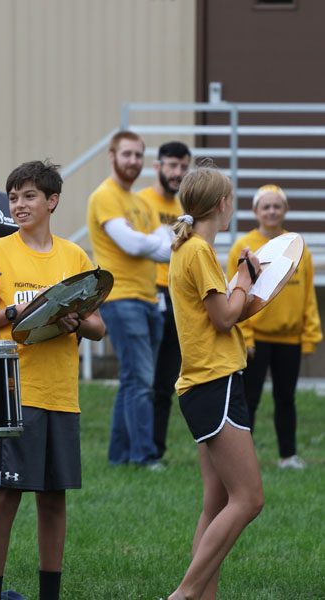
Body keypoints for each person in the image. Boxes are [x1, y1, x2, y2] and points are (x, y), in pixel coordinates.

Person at [0, 160, 105, 600]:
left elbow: (99, 327)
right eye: (14, 197)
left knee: (54, 496)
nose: (19, 205)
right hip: (15, 390)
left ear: (52, 201)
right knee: (7, 494)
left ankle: (49, 594)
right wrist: (12, 313)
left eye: (29, 196)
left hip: (62, 394)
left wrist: (75, 320)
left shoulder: (74, 256)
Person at [166, 165, 265, 600]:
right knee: (249, 499)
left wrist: (253, 290)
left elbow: (224, 313)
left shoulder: (187, 249)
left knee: (218, 504)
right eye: (231, 198)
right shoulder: (200, 252)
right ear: (221, 204)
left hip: (203, 384)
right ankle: (184, 594)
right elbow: (224, 318)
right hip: (215, 382)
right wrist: (243, 279)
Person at [86, 130, 171, 468]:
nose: (133, 161)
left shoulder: (140, 203)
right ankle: (144, 455)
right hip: (121, 299)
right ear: (112, 156)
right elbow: (134, 245)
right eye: (127, 154)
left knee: (132, 380)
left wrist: (150, 240)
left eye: (138, 155)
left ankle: (120, 456)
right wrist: (152, 239)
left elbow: (166, 250)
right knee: (141, 381)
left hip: (149, 299)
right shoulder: (105, 196)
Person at [227, 185, 321, 469]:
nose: (271, 211)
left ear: (285, 210)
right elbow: (236, 293)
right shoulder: (243, 246)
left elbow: (307, 294)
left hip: (289, 338)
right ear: (255, 211)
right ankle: (246, 460)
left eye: (276, 206)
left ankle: (287, 455)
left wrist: (309, 334)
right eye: (265, 206)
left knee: (286, 398)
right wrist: (247, 336)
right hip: (256, 340)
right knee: (250, 399)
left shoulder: (298, 248)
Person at [137, 141, 192, 460]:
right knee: (144, 379)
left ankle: (156, 449)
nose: (178, 172)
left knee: (167, 380)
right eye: (172, 165)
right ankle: (138, 449)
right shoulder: (142, 201)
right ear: (157, 167)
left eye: (184, 166)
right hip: (149, 293)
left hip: (177, 297)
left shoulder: (186, 206)